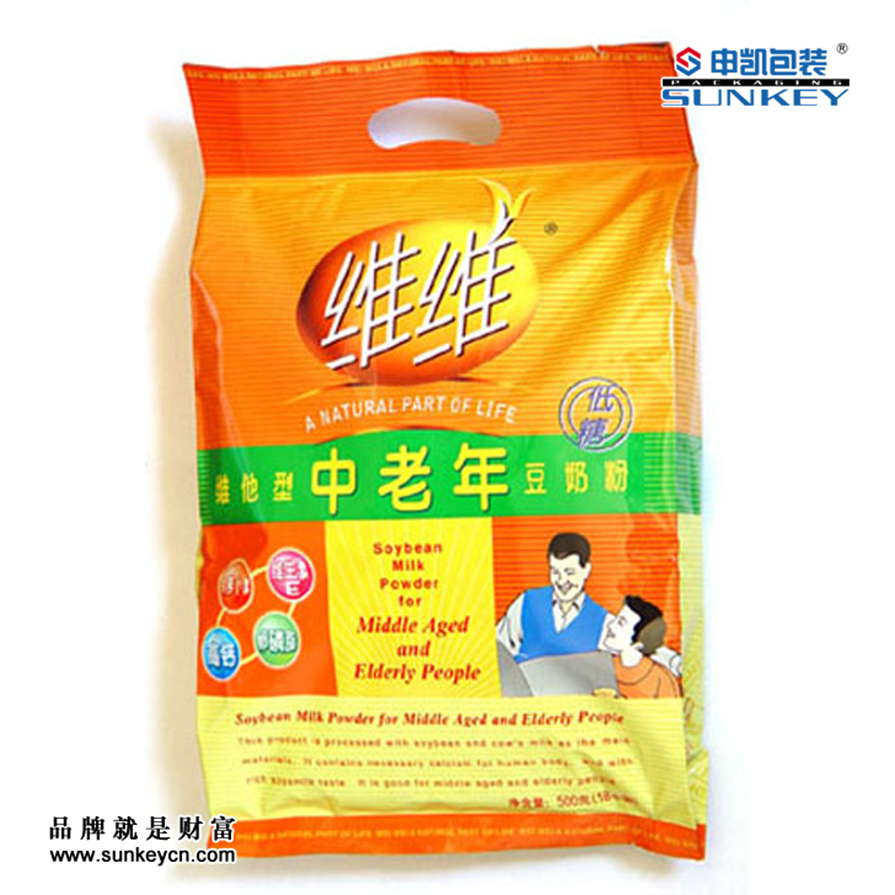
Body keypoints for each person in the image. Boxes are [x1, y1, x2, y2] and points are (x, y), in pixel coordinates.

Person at [496, 532, 608, 663]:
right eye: (555, 572)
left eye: (570, 572)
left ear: (586, 570)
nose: (562, 581)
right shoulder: (527, 603)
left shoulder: (604, 623)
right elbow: (497, 648)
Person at [602, 595, 682, 698]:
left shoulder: (661, 680)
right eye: (616, 620)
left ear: (638, 645)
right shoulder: (603, 667)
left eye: (620, 623)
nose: (610, 626)